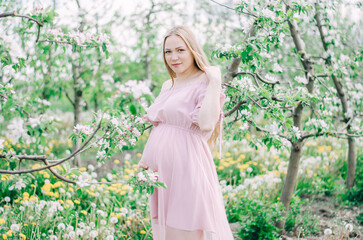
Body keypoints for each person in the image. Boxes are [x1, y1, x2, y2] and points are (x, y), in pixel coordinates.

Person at [137, 25, 234, 240]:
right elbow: (160, 127)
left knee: (185, 229)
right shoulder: (167, 85)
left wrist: (215, 81)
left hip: (187, 168)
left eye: (180, 50)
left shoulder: (205, 82)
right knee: (168, 232)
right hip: (161, 173)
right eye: (168, 52)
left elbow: (207, 123)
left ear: (192, 50)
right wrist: (145, 159)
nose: (174, 57)